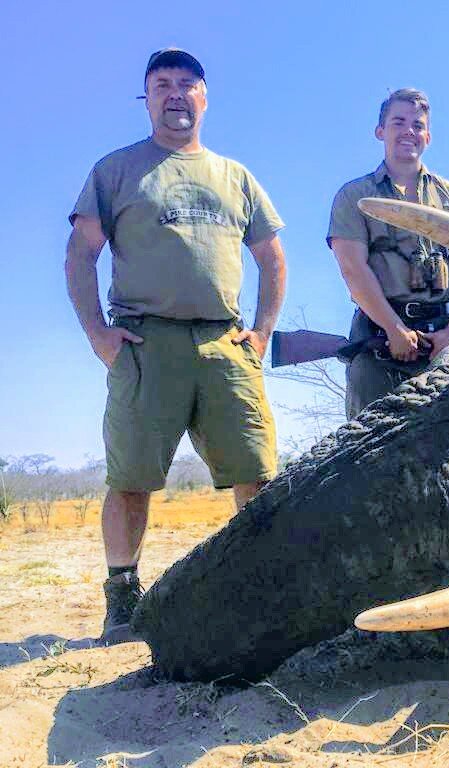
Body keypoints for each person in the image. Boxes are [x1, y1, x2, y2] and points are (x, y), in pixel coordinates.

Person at [65, 49, 287, 641]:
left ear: (203, 98)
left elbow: (271, 257)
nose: (175, 94)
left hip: (225, 343)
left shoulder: (236, 175)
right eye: (161, 84)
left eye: (186, 85)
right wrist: (98, 335)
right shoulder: (115, 170)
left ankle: (261, 588)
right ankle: (122, 599)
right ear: (146, 98)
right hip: (145, 343)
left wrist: (261, 332)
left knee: (258, 474)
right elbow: (80, 254)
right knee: (131, 478)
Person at [327, 88, 449, 418]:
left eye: (418, 125)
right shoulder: (354, 195)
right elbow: (353, 270)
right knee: (365, 453)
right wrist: (394, 330)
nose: (409, 131)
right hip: (380, 344)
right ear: (380, 131)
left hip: (444, 344)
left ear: (428, 136)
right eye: (398, 122)